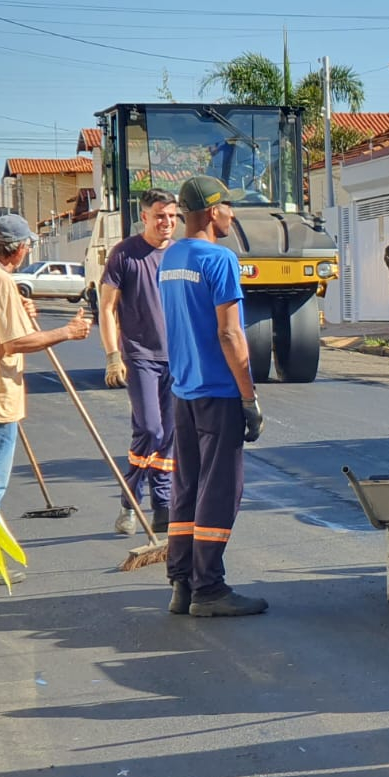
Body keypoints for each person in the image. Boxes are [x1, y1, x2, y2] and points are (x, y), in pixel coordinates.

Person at [0, 214, 93, 587]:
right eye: (28, 244)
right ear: (19, 248)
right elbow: (12, 344)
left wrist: (22, 313)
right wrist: (68, 331)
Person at [158, 175, 267, 618]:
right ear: (209, 212)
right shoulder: (219, 259)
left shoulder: (170, 258)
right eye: (227, 207)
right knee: (220, 489)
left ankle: (181, 583)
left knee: (186, 487)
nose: (232, 214)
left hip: (182, 391)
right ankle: (210, 588)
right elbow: (230, 333)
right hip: (218, 393)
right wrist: (249, 398)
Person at [101, 188, 180, 536]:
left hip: (179, 358)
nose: (167, 222)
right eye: (160, 216)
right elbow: (106, 308)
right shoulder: (126, 255)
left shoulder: (181, 254)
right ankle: (130, 500)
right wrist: (112, 356)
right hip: (140, 356)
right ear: (145, 217)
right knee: (151, 429)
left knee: (170, 437)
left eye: (173, 216)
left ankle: (162, 505)